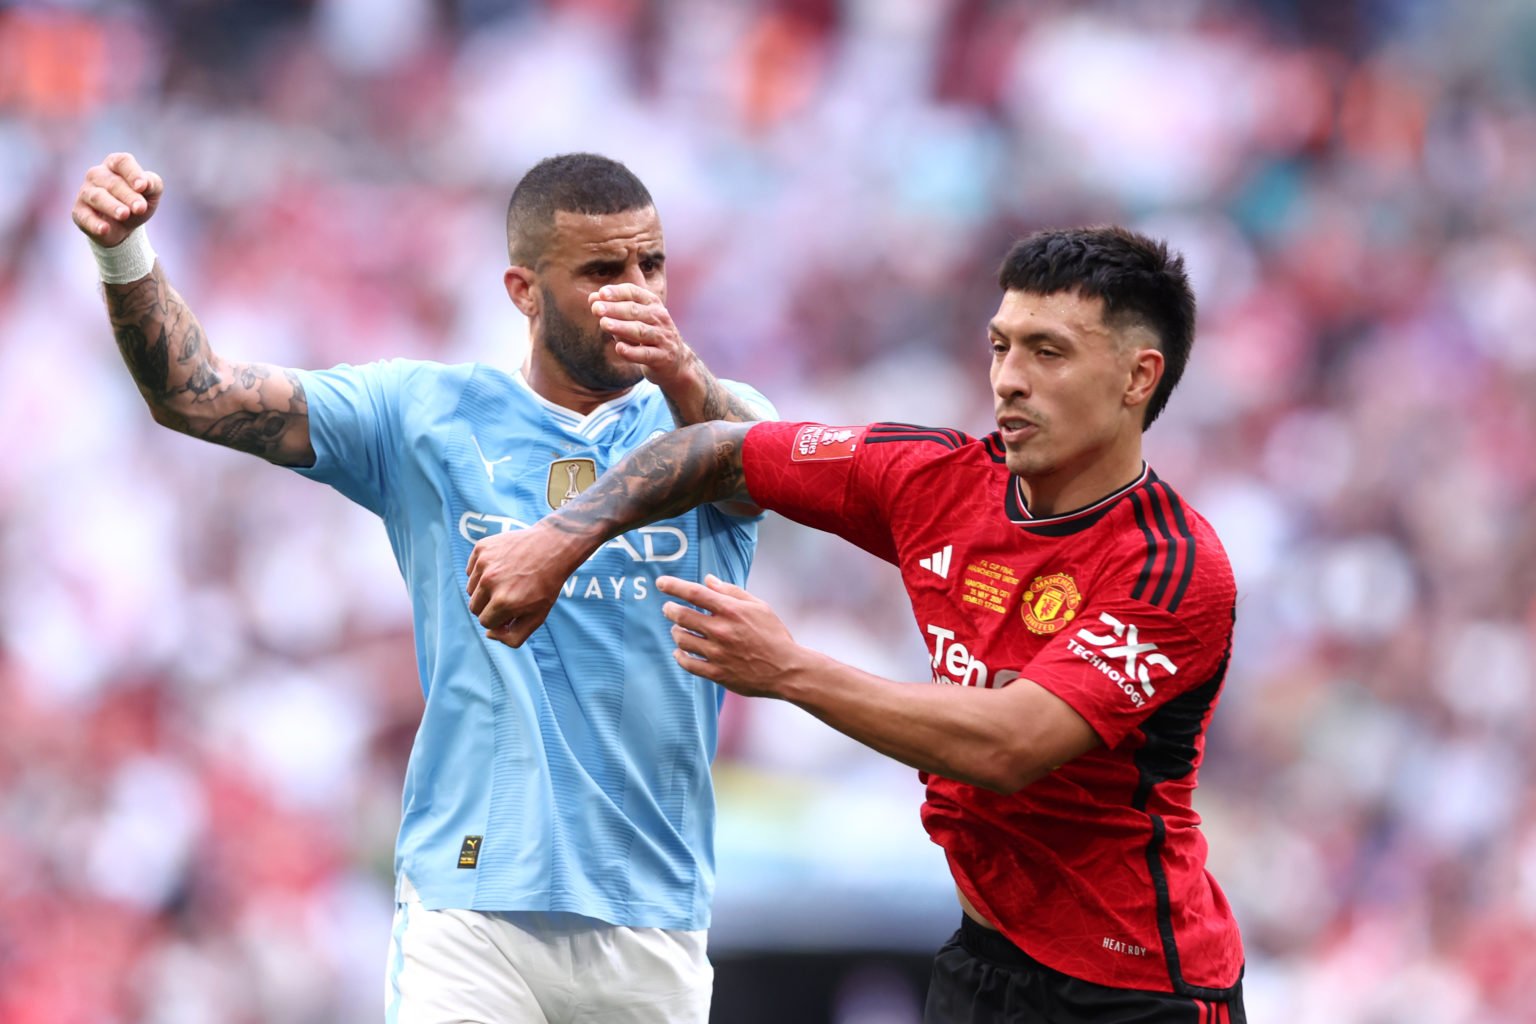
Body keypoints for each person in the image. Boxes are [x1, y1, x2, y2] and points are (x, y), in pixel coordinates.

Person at [466, 226, 1248, 1022]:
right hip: (983, 964)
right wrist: (560, 539)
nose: (1008, 380)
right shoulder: (936, 479)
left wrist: (788, 671)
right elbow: (722, 452)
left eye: (1047, 353)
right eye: (1000, 347)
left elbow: (1010, 746)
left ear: (1136, 377)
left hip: (1138, 992)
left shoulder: (1172, 567)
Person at [72, 150, 773, 1023]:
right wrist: (123, 254)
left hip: (650, 916)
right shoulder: (424, 414)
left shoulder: (718, 415)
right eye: (603, 270)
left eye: (651, 264)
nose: (638, 290)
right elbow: (196, 392)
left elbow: (759, 474)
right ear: (524, 290)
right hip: (470, 905)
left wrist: (680, 375)